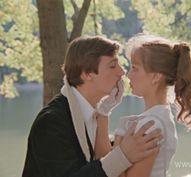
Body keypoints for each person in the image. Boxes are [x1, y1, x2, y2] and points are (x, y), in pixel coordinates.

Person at [22, 36, 162, 177]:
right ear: (87, 74)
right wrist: (122, 156)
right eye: (112, 66)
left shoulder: (92, 115)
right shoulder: (51, 122)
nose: (121, 72)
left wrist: (104, 112)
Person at [112, 35, 191, 177]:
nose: (129, 75)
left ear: (156, 77)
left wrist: (119, 139)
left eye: (135, 68)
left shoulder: (150, 125)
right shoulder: (159, 116)